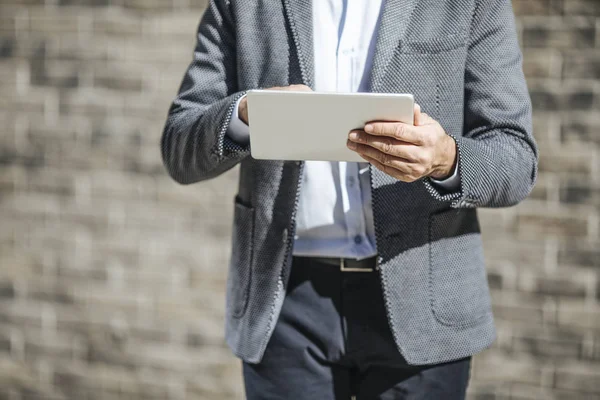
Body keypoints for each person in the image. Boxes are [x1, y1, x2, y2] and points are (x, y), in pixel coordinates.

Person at [161, 0, 538, 398]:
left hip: (425, 303)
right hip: (284, 305)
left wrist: (446, 157)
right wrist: (242, 115)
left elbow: (516, 160)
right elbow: (178, 147)